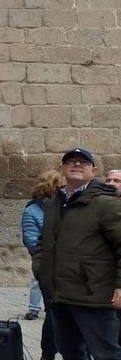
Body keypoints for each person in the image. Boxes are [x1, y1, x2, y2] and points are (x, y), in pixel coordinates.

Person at [33, 148, 121, 360]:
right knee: (70, 352)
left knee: (105, 354)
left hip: (93, 296)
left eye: (83, 162)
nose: (77, 164)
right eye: (71, 161)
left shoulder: (105, 203)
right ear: (62, 168)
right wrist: (41, 269)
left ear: (94, 169)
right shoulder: (54, 202)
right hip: (60, 295)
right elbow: (43, 241)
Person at [22, 169, 63, 360]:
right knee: (53, 316)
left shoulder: (69, 205)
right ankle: (48, 354)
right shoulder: (32, 211)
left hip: (72, 272)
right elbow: (32, 243)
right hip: (50, 270)